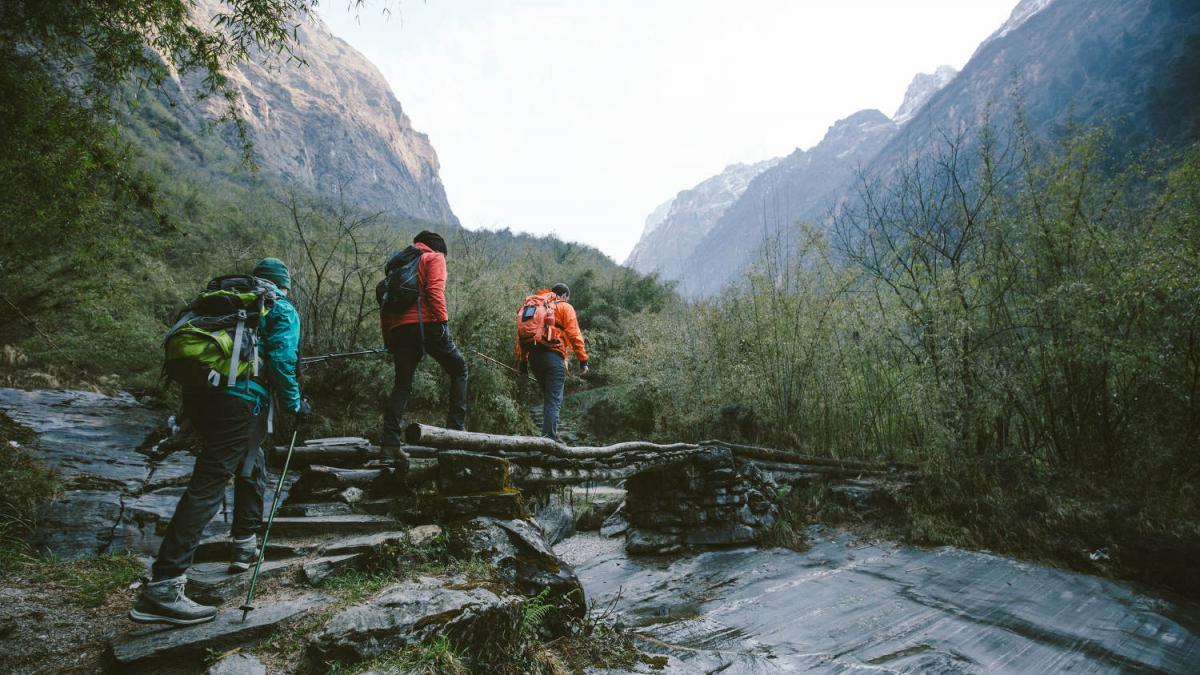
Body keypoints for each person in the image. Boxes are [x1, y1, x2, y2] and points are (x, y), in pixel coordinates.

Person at [129, 257, 310, 626]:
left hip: (202, 395)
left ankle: (244, 543)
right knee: (210, 482)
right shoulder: (281, 307)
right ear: (283, 285)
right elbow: (281, 358)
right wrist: (294, 403)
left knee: (250, 460)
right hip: (238, 400)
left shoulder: (224, 300)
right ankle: (163, 587)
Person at [380, 231, 469, 449]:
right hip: (428, 325)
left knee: (402, 384)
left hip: (400, 330)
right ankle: (455, 432)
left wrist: (389, 339)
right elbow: (434, 291)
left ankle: (390, 441)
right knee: (459, 370)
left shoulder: (398, 267)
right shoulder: (433, 258)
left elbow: (385, 308)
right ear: (438, 249)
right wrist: (442, 322)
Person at [516, 283, 588, 441]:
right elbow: (574, 334)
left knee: (550, 398)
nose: (567, 300)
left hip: (534, 358)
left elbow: (521, 336)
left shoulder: (534, 306)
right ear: (563, 296)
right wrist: (583, 360)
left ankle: (549, 436)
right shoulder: (564, 307)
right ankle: (549, 440)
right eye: (567, 298)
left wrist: (523, 363)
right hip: (554, 357)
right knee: (553, 400)